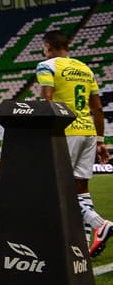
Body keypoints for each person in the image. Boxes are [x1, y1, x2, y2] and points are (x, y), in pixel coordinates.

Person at [36, 30, 111, 257]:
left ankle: (99, 223)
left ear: (48, 46)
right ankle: (86, 242)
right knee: (81, 187)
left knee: (56, 189)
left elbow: (47, 100)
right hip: (88, 131)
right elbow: (97, 108)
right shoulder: (85, 69)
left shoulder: (47, 65)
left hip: (64, 132)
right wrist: (100, 141)